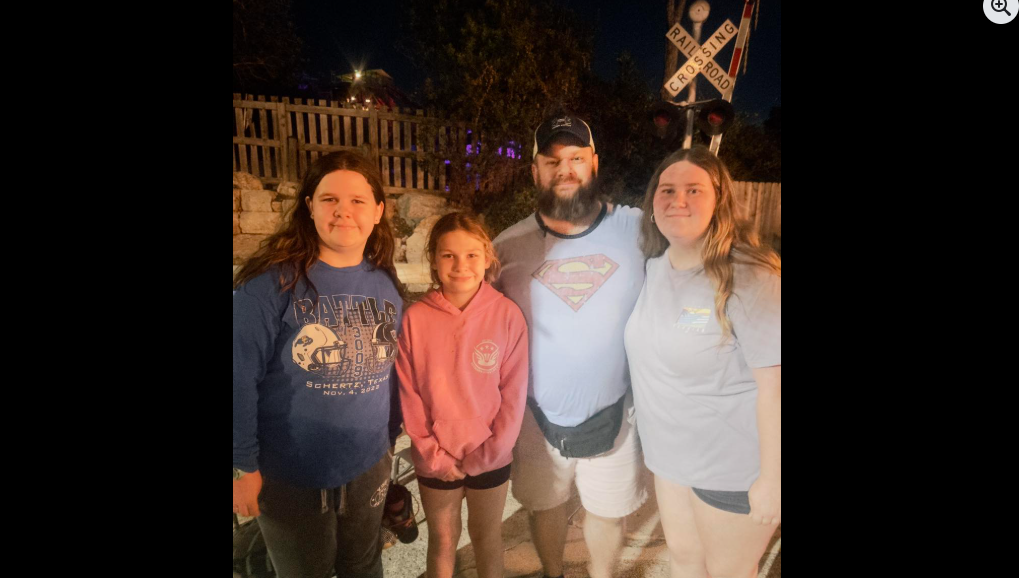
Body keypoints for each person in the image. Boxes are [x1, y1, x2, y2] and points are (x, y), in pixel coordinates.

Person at [232, 150, 405, 578]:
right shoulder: (270, 286)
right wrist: (243, 466)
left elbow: (393, 370)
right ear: (309, 206)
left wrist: (390, 438)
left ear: (378, 210)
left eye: (358, 201)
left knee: (364, 566)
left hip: (367, 465)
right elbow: (238, 380)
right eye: (329, 199)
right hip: (290, 474)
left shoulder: (385, 284)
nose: (343, 211)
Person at [492, 111, 648, 578]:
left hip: (615, 413)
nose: (565, 169)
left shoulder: (637, 231)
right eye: (552, 159)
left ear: (594, 163)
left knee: (607, 510)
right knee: (546, 506)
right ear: (534, 171)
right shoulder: (507, 247)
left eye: (576, 157)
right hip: (536, 418)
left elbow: (700, 253)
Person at [624, 146, 781, 578]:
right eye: (667, 189)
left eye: (695, 189)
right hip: (670, 460)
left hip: (733, 469)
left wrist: (774, 479)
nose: (679, 200)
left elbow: (776, 388)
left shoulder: (750, 275)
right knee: (684, 562)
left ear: (719, 202)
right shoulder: (654, 269)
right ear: (652, 204)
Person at [395, 212, 529, 578]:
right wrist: (433, 455)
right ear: (434, 260)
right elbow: (410, 395)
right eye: (448, 255)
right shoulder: (415, 319)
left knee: (487, 538)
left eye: (471, 254)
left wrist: (491, 452)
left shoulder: (507, 315)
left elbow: (513, 394)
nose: (460, 265)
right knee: (442, 540)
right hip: (435, 455)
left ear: (487, 257)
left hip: (490, 454)